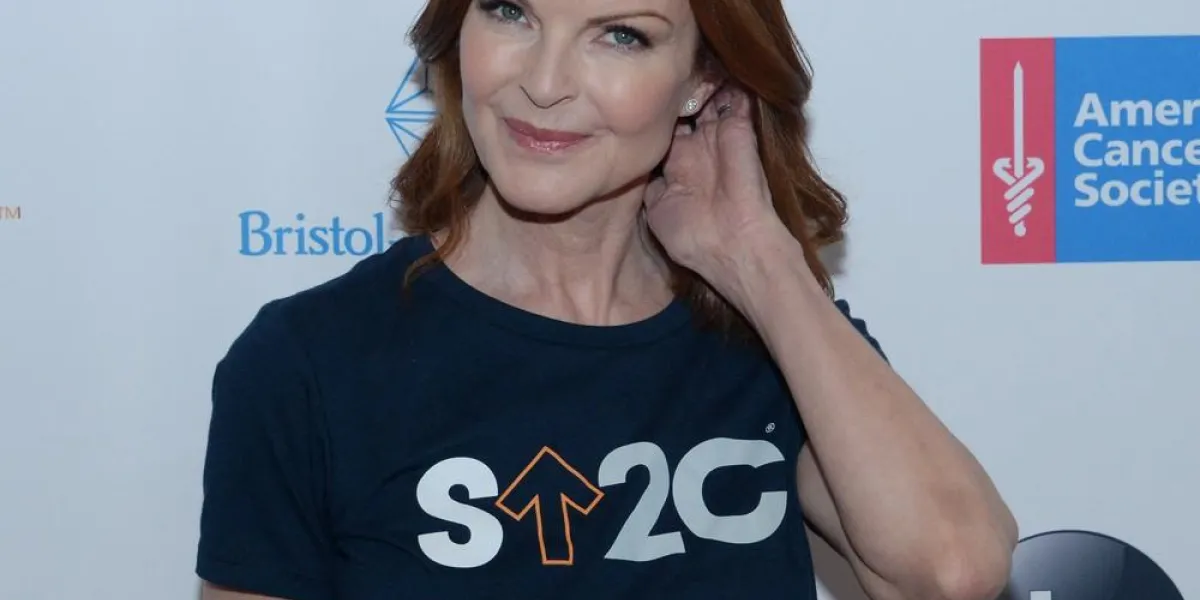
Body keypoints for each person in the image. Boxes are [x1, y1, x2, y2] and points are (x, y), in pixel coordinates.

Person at [197, 0, 1019, 598]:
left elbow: (952, 571)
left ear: (702, 81)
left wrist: (759, 258)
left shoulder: (763, 333)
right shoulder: (308, 361)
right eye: (510, 12)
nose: (545, 83)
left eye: (620, 35)